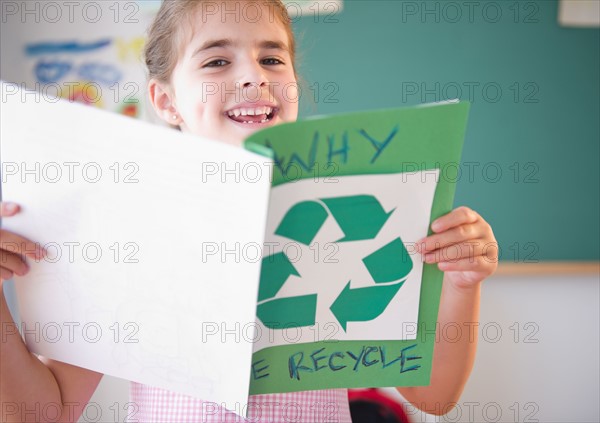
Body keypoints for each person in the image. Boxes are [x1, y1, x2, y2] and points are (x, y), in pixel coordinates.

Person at [0, 1, 498, 422]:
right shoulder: (129, 229)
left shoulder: (357, 210)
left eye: (273, 59)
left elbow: (433, 396)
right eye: (217, 62)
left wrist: (461, 283)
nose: (253, 77)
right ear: (166, 100)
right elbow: (42, 411)